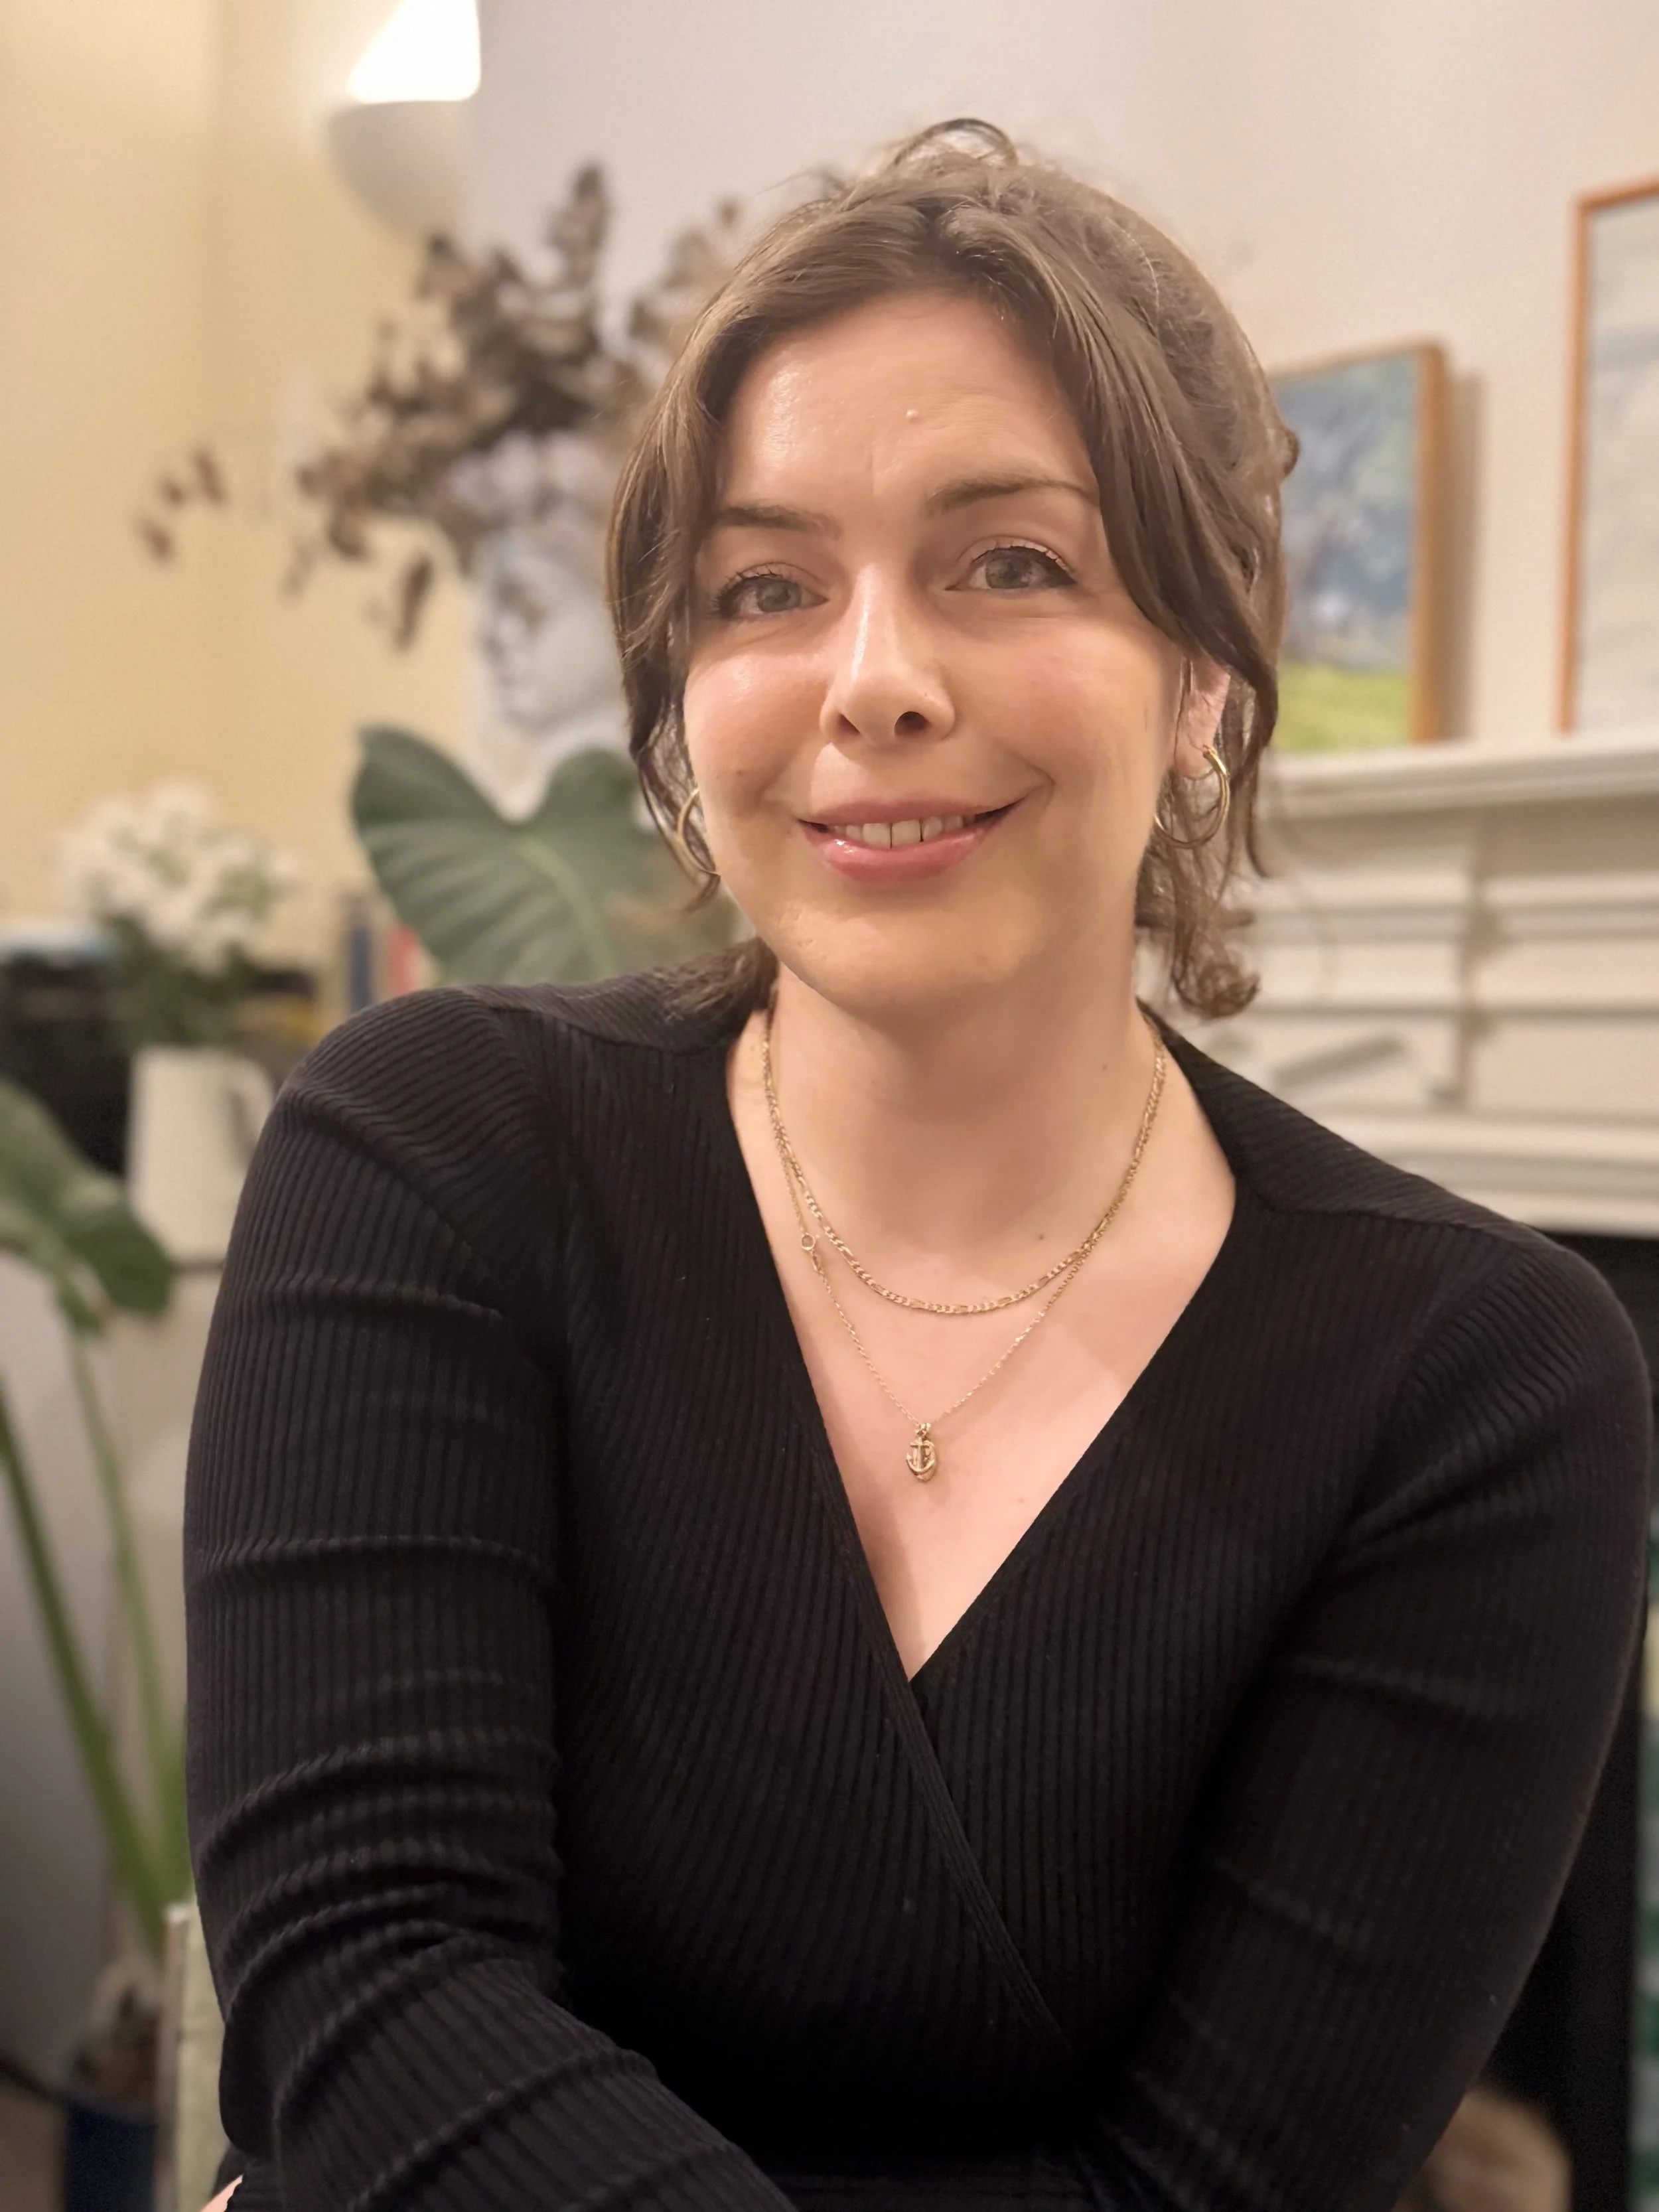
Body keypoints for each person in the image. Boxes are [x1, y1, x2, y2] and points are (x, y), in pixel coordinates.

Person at [184, 123, 1652, 2212]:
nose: (871, 676)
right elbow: (362, 1989)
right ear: (691, 711)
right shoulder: (429, 1152)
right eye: (765, 589)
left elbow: (1218, 2187)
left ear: (1206, 689)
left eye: (1011, 562)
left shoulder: (1479, 1380)